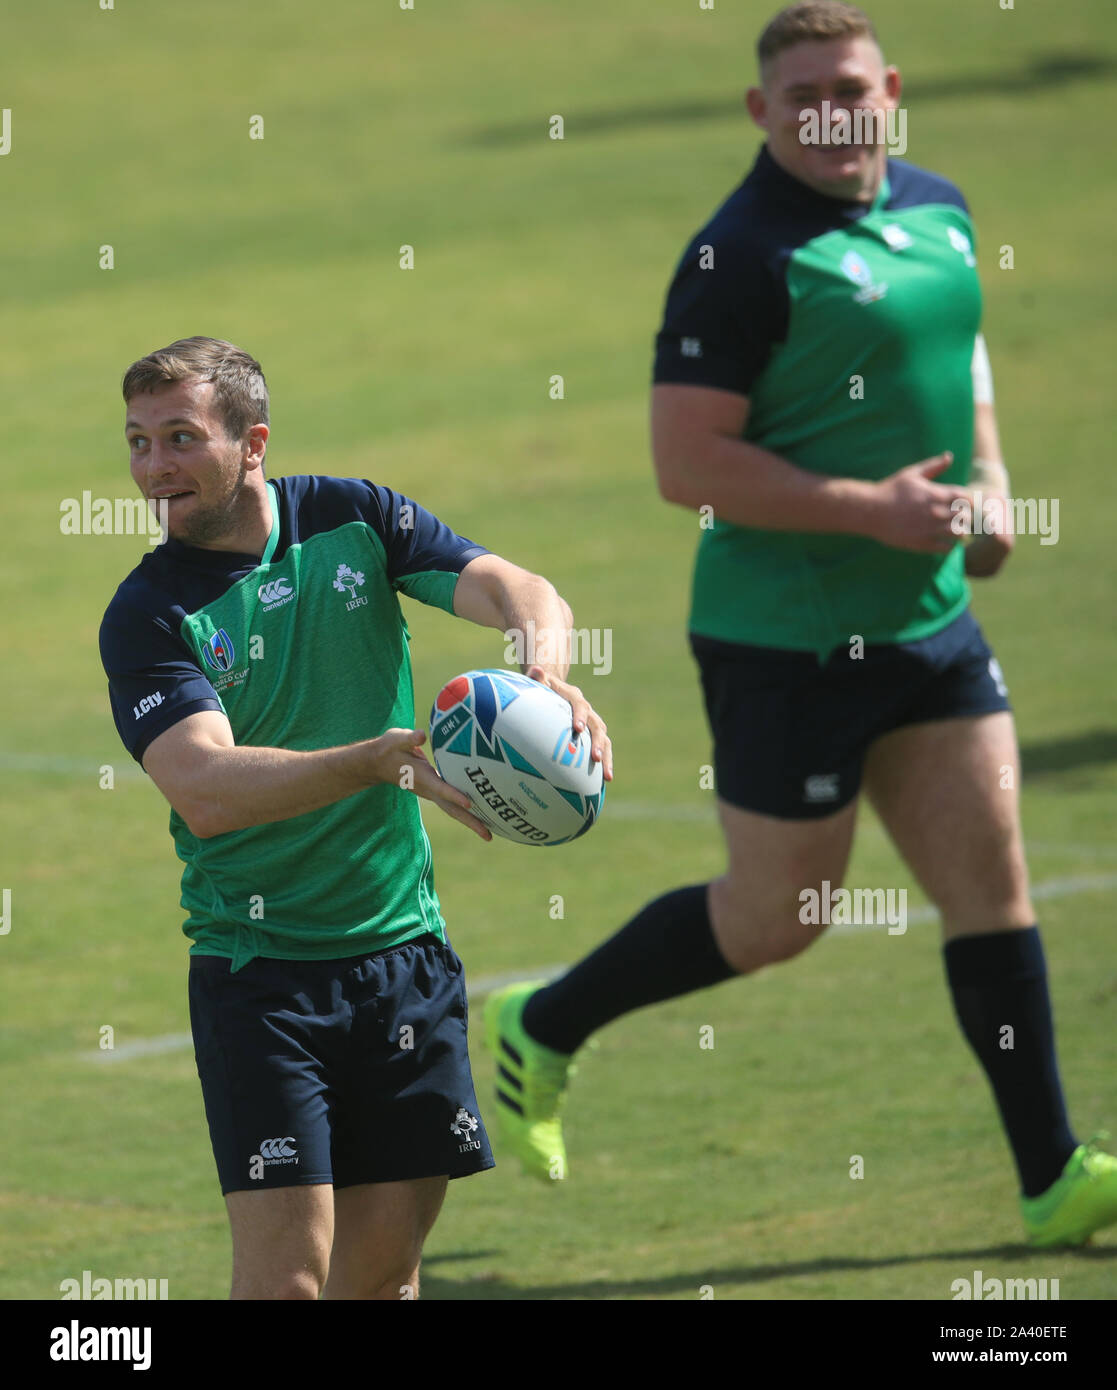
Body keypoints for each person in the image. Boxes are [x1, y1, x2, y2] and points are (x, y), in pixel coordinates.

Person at [483, 1, 1117, 1248]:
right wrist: (870, 513)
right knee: (780, 923)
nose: (834, 109)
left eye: (854, 84)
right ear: (761, 112)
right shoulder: (742, 256)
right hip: (784, 643)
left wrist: (984, 487)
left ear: (893, 88)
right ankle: (541, 1023)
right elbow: (685, 462)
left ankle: (1052, 1178)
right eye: (804, 92)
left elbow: (964, 362)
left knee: (993, 890)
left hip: (930, 628)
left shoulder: (939, 206)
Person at [99, 336, 612, 1299]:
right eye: (137, 442)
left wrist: (543, 670)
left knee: (382, 1280)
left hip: (402, 960)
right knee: (290, 1284)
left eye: (179, 437)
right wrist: (379, 761)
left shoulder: (354, 517)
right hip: (261, 976)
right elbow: (207, 790)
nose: (154, 467)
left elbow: (520, 589)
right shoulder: (148, 614)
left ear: (252, 444)